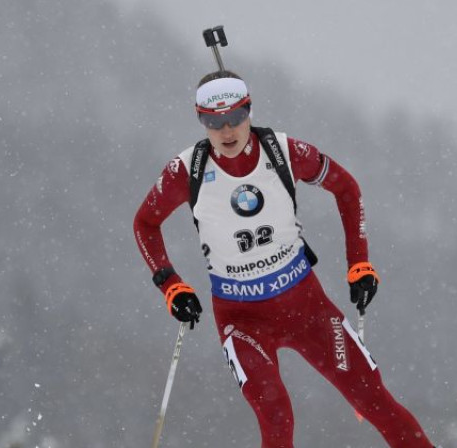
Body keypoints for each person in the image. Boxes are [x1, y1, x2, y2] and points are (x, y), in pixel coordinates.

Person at [134, 70, 436, 448]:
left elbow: (347, 189)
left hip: (307, 307)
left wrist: (359, 263)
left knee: (374, 399)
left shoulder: (284, 152)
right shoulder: (187, 170)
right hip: (242, 319)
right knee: (277, 416)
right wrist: (171, 285)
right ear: (200, 120)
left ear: (249, 112)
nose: (226, 131)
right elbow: (145, 223)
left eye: (235, 118)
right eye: (213, 121)